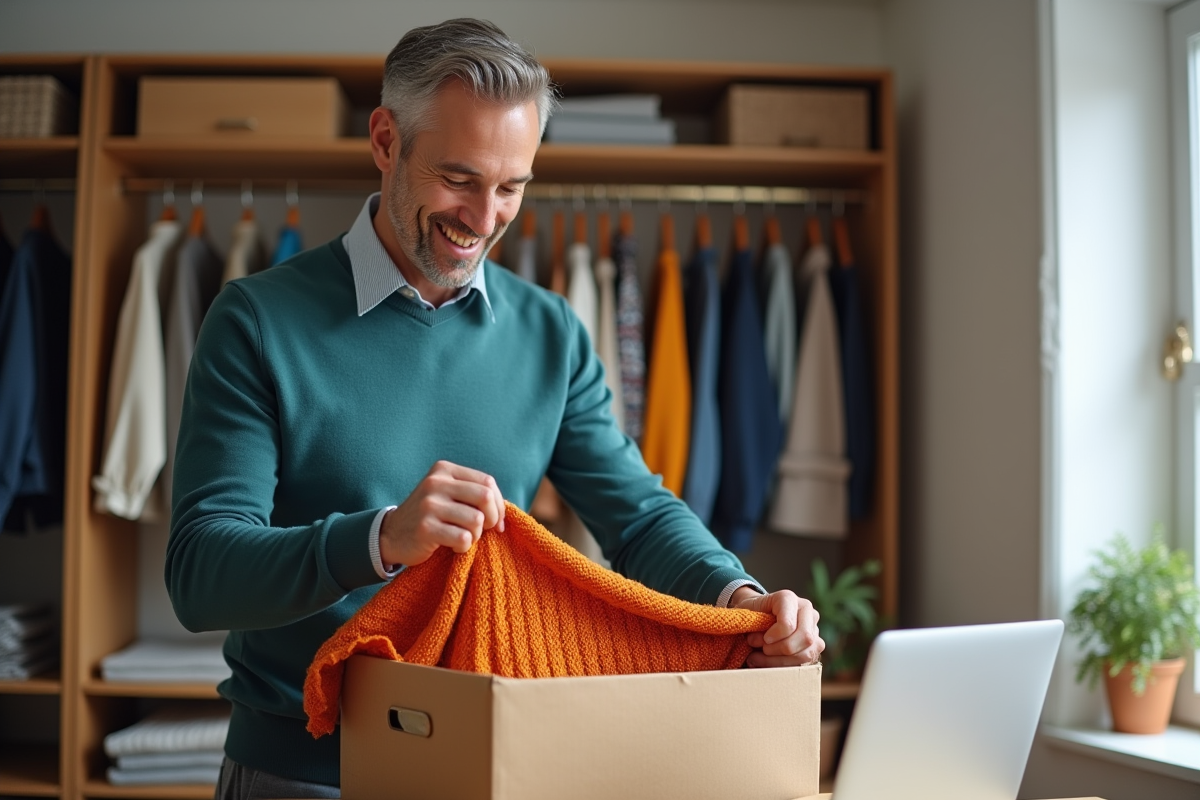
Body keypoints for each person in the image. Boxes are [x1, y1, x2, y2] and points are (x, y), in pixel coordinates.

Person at [166, 18, 823, 800]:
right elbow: (200, 573)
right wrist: (380, 540)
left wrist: (740, 597)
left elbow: (639, 517)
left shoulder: (551, 333)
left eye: (511, 187)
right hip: (302, 774)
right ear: (385, 141)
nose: (484, 219)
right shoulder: (256, 320)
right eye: (459, 179)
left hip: (489, 770)